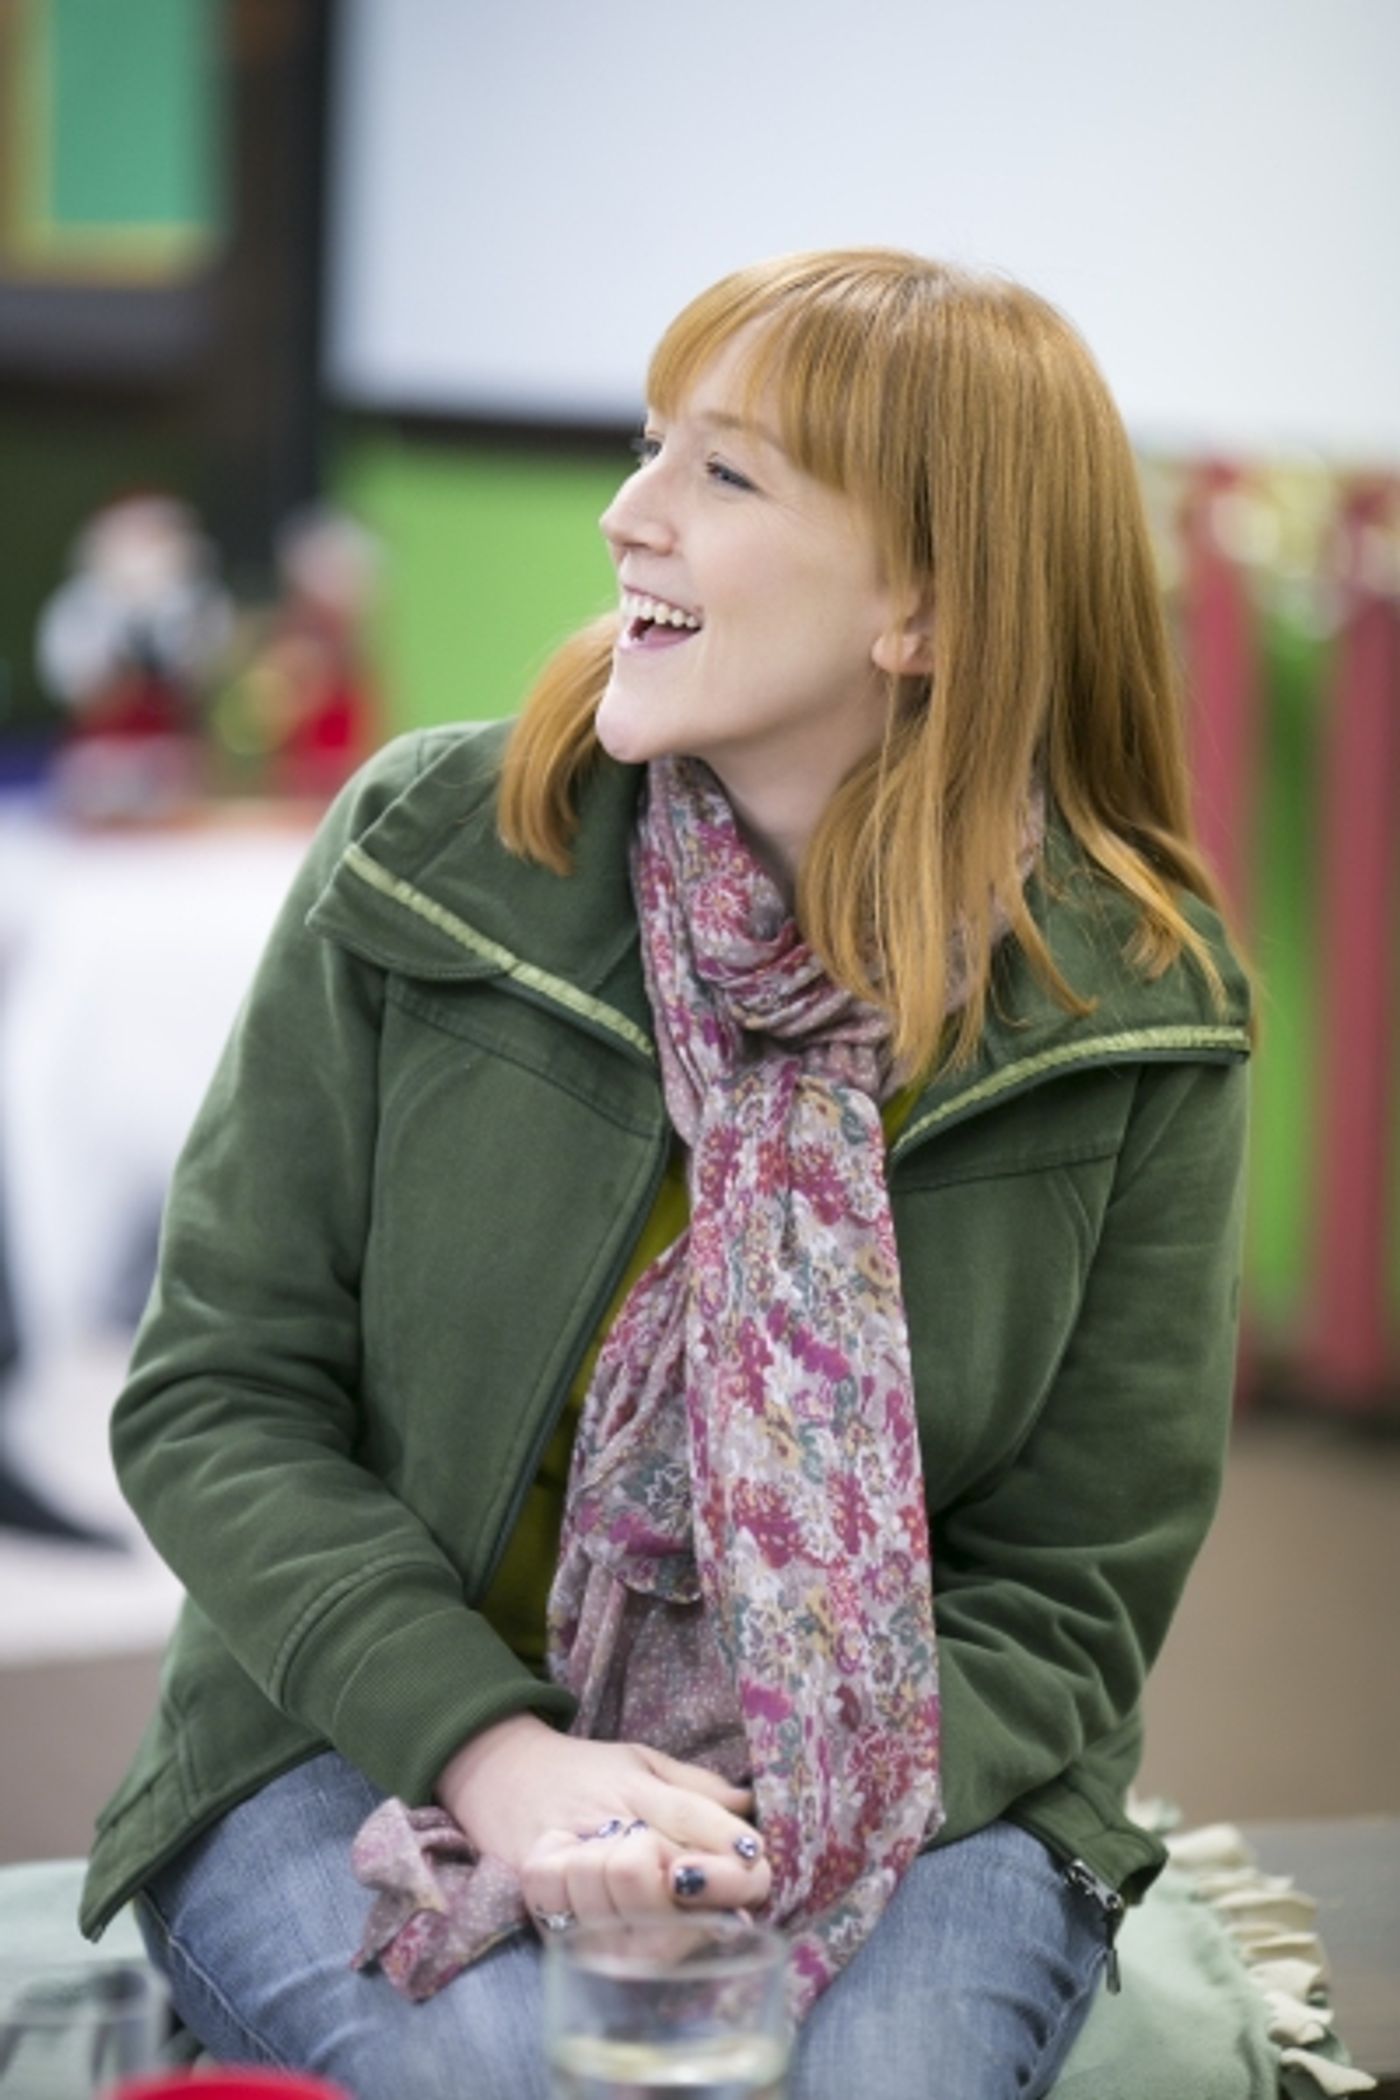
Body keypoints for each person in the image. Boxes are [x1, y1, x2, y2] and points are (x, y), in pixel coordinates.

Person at [80, 249, 1252, 2100]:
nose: (627, 514)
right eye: (649, 448)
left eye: (725, 474)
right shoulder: (429, 853)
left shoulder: (1141, 1006)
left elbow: (1081, 1577)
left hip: (895, 1783)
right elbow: (220, 1401)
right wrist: (504, 1761)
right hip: (361, 1742)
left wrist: (772, 1812)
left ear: (924, 610)